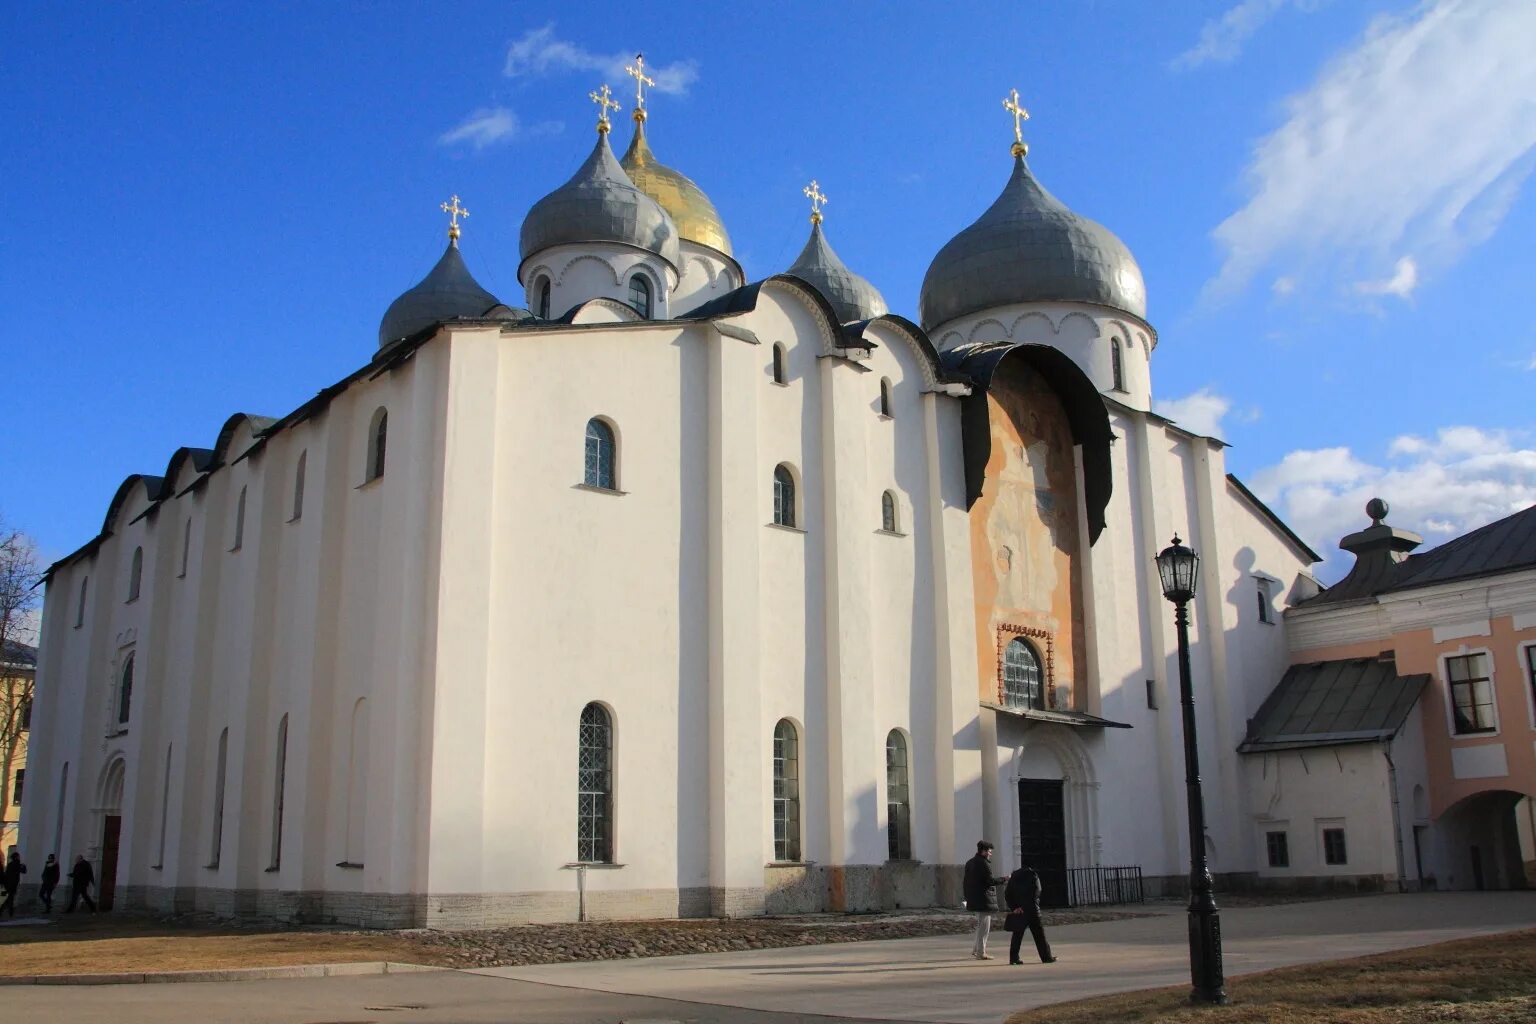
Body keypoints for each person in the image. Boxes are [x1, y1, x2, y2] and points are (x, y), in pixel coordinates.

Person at [1004, 862, 1057, 965]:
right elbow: (1037, 891)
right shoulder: (1033, 875)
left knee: (1017, 935)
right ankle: (1046, 957)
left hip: (1020, 910)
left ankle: (1014, 958)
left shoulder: (1014, 877)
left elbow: (1007, 894)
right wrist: (1034, 904)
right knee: (1039, 935)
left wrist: (1015, 907)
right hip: (1032, 910)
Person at [963, 839, 1006, 960]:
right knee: (984, 927)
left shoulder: (970, 862)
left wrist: (967, 896)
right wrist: (1004, 879)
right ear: (984, 851)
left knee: (980, 925)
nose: (990, 854)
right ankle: (981, 952)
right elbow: (990, 881)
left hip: (974, 897)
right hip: (983, 898)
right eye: (989, 851)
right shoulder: (983, 864)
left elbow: (966, 882)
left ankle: (976, 949)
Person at [0, 850, 25, 917]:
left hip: (7, 884)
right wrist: (23, 866)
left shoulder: (10, 864)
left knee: (8, 898)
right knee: (10, 898)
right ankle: (9, 911)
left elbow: (6, 874)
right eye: (19, 856)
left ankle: (8, 911)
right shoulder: (17, 864)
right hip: (13, 884)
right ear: (16, 857)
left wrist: (4, 882)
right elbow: (24, 871)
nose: (20, 857)